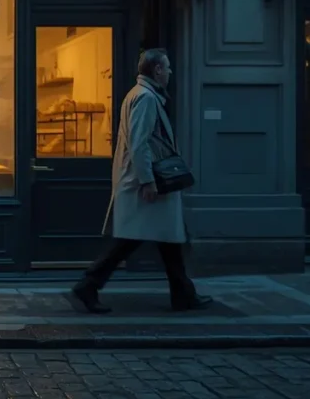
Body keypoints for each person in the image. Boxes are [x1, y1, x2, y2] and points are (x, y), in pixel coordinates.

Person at [70, 49, 213, 314]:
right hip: (145, 184)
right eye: (167, 67)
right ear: (157, 69)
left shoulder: (140, 95)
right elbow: (139, 143)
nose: (170, 72)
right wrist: (148, 181)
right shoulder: (146, 98)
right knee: (132, 241)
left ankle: (183, 294)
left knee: (168, 239)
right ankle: (88, 285)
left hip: (144, 182)